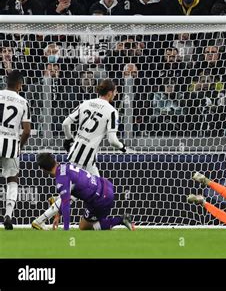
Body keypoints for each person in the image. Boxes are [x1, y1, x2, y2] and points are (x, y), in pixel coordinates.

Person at [32, 79, 126, 230]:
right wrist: (123, 148)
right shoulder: (111, 111)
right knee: (75, 193)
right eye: (115, 92)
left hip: (78, 153)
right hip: (85, 158)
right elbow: (113, 140)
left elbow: (65, 124)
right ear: (110, 93)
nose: (115, 94)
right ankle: (40, 220)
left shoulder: (86, 103)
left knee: (99, 190)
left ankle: (101, 222)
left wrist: (69, 139)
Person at [35, 153, 135, 231]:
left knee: (83, 227)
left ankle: (121, 219)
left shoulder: (61, 180)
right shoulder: (66, 166)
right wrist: (58, 214)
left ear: (44, 170)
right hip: (105, 185)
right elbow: (68, 198)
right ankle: (106, 221)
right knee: (91, 218)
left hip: (101, 198)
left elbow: (66, 205)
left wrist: (66, 229)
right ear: (54, 161)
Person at [0, 71, 31, 230]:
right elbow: (26, 130)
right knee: (12, 178)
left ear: (6, 82)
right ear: (19, 84)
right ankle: (8, 215)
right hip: (11, 144)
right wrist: (20, 145)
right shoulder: (23, 102)